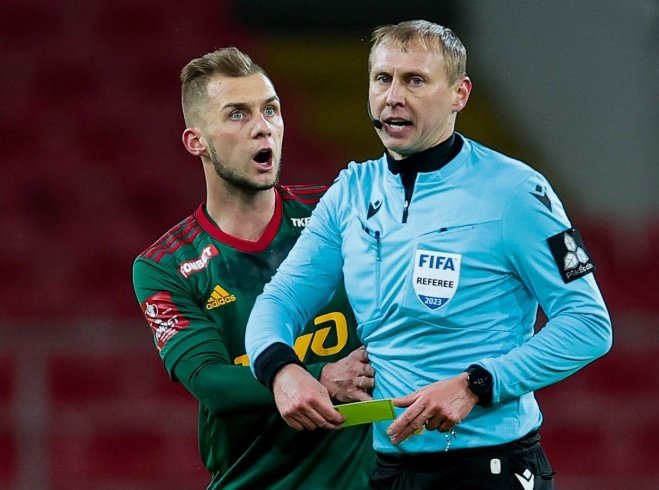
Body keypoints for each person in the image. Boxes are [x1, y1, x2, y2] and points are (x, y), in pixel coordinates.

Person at [245, 20, 613, 489]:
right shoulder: (351, 193)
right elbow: (280, 300)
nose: (393, 97)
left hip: (491, 467)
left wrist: (476, 384)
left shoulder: (515, 191)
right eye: (382, 79)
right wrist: (282, 371)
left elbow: (588, 324)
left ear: (459, 94)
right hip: (392, 468)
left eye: (415, 80)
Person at [131, 47, 376, 489]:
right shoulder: (164, 266)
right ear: (196, 141)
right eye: (237, 114)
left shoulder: (337, 210)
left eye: (271, 110)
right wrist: (317, 378)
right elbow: (211, 381)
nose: (262, 127)